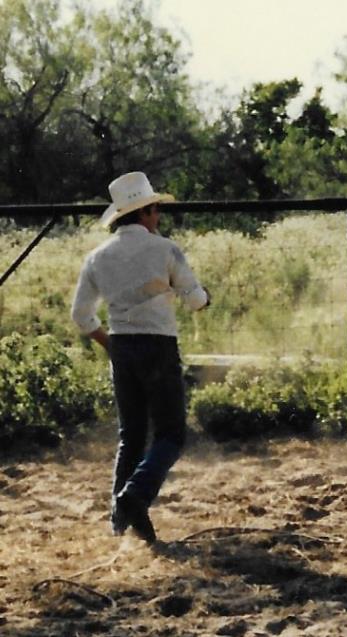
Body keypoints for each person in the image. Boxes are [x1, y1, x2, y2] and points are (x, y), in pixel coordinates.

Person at [71, 171, 209, 544]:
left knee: (131, 435)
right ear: (145, 212)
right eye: (155, 209)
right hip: (159, 345)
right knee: (171, 434)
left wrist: (109, 343)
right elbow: (195, 300)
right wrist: (204, 298)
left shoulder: (97, 257)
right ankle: (134, 495)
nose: (158, 215)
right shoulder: (165, 249)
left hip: (122, 346)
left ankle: (123, 520)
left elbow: (81, 316)